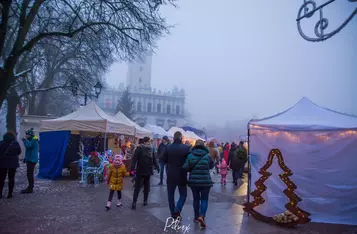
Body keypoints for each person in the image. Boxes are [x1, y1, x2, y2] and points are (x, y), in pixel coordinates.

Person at [183, 140, 214, 228]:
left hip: (194, 182)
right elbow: (211, 166)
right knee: (204, 200)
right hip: (205, 182)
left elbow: (185, 167)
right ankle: (202, 216)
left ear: (195, 146)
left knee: (196, 199)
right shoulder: (207, 156)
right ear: (203, 146)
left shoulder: (190, 155)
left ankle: (196, 217)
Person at [163, 131, 191, 219]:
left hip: (171, 173)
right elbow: (189, 161)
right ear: (181, 138)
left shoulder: (168, 147)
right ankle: (177, 210)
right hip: (182, 174)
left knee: (170, 194)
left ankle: (173, 212)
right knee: (183, 194)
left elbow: (164, 159)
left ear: (173, 138)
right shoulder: (186, 147)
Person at [131, 137, 159, 210]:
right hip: (147, 169)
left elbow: (134, 159)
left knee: (138, 186)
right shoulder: (150, 148)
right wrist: (157, 166)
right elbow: (154, 159)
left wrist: (132, 168)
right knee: (146, 186)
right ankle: (144, 201)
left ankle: (135, 202)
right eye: (149, 141)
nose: (150, 142)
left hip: (141, 169)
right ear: (146, 141)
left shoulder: (139, 148)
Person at [0, 132, 21, 198]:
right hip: (13, 164)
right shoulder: (15, 143)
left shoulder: (1, 143)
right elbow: (19, 152)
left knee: (1, 179)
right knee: (11, 179)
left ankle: (0, 193)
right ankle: (10, 194)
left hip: (2, 163)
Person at [21, 128, 39, 194]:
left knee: (29, 174)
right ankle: (30, 187)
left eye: (27, 134)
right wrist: (26, 159)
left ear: (30, 135)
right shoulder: (32, 140)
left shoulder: (33, 140)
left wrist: (24, 140)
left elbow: (28, 146)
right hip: (30, 159)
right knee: (29, 174)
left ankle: (30, 188)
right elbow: (28, 151)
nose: (25, 136)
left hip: (32, 160)